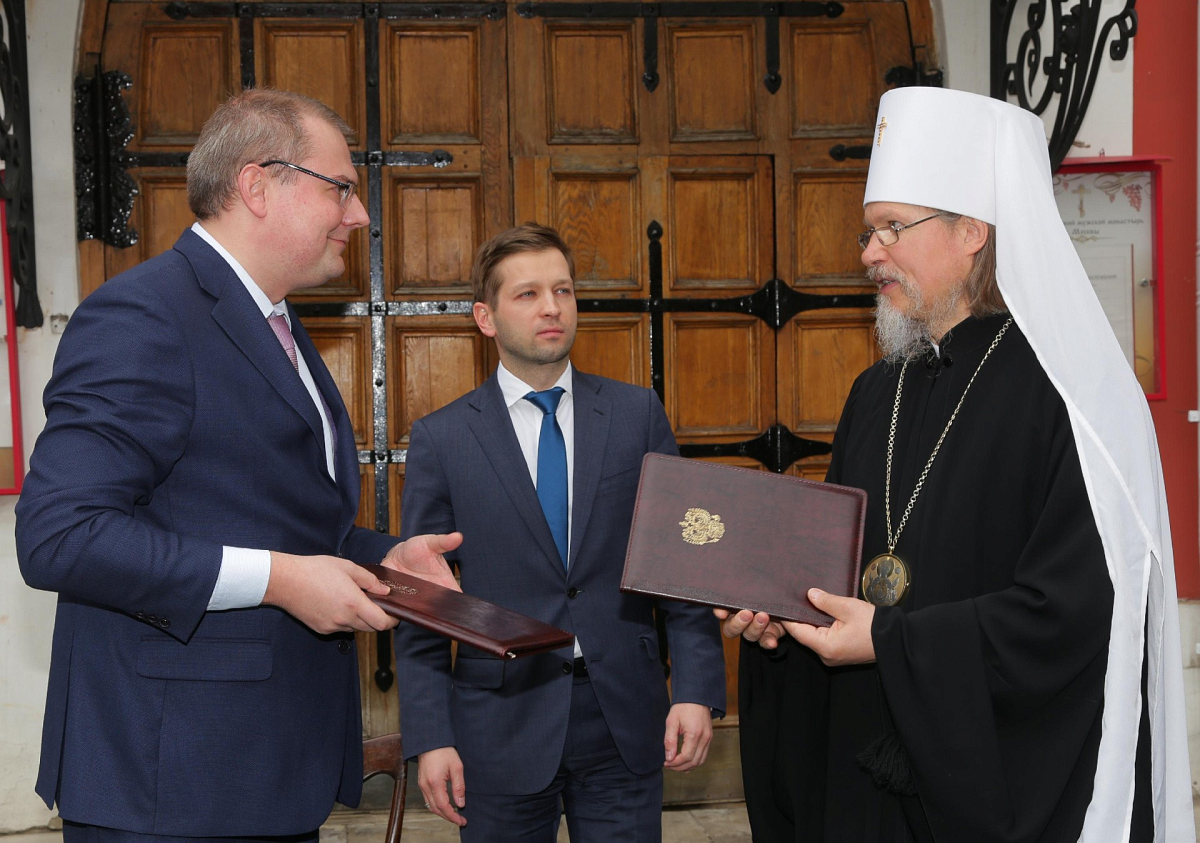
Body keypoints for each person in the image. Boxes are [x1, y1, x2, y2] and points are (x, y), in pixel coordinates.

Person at [719, 87, 1193, 842]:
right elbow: (846, 567)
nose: (868, 253)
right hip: (866, 765)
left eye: (891, 228)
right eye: (869, 231)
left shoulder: (1073, 398)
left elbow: (1075, 614)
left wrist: (893, 642)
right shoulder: (876, 390)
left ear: (972, 231)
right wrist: (782, 614)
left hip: (989, 784)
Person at [15, 89, 462, 842]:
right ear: (257, 185)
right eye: (341, 188)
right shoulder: (146, 315)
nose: (359, 215)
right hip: (171, 782)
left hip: (266, 769)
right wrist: (281, 581)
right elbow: (60, 536)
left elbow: (267, 519)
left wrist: (384, 559)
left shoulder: (273, 319)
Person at [394, 223, 727, 842]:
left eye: (563, 290)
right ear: (486, 317)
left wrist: (696, 689)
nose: (551, 307)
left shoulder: (635, 415)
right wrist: (431, 735)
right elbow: (424, 601)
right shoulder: (443, 439)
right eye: (527, 294)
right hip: (497, 727)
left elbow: (682, 565)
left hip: (624, 718)